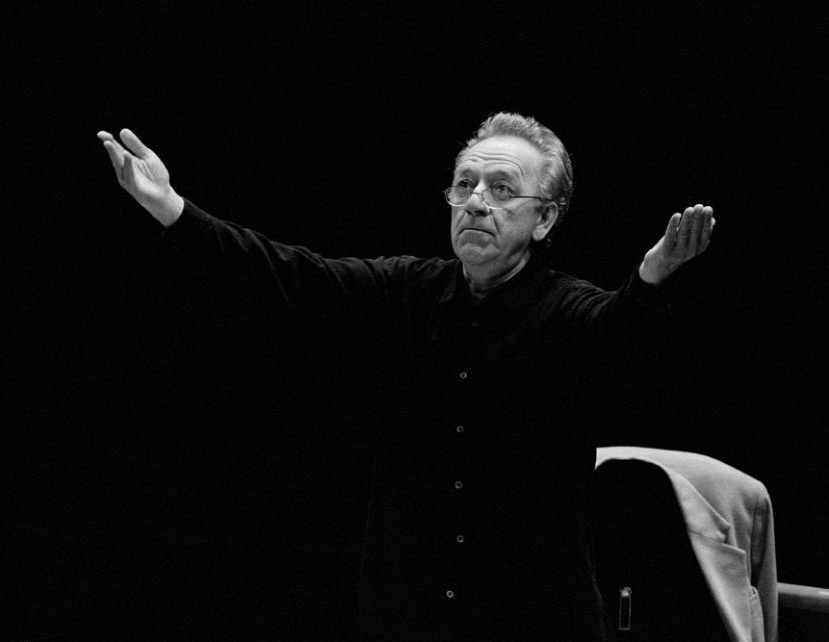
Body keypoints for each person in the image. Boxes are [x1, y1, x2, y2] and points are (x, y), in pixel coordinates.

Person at [97, 112, 715, 640]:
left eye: (502, 189)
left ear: (545, 219)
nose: (476, 201)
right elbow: (288, 276)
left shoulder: (564, 311)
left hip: (530, 617)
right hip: (408, 614)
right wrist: (173, 210)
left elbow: (619, 337)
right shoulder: (407, 292)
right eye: (465, 184)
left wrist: (652, 277)